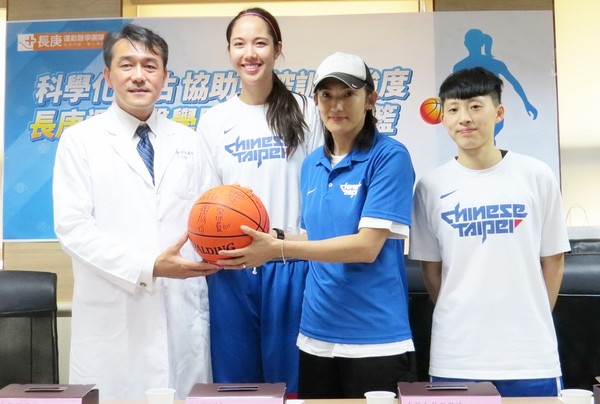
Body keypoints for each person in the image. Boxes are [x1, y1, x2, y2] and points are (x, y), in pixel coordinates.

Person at [218, 51, 417, 398]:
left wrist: (278, 249)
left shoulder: (389, 156)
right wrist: (271, 237)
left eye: (348, 94)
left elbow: (366, 247)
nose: (336, 106)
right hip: (316, 335)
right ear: (315, 101)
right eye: (327, 95)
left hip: (375, 338)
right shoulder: (312, 164)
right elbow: (318, 237)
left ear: (371, 99)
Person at [52, 23, 220, 400]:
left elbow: (209, 217)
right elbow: (73, 230)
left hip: (180, 312)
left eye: (150, 65)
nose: (139, 75)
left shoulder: (190, 142)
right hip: (113, 321)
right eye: (127, 65)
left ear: (165, 77)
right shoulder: (80, 141)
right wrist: (149, 266)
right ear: (107, 75)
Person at [408, 67, 570, 397]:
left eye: (475, 106)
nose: (464, 118)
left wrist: (533, 316)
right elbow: (431, 270)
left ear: (499, 113)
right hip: (456, 356)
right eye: (453, 109)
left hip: (531, 358)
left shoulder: (536, 175)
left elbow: (553, 261)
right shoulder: (429, 187)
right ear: (443, 119)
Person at [195, 7, 323, 395]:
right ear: (229, 52)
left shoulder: (306, 110)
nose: (249, 53)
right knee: (236, 387)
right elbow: (207, 200)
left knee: (292, 385)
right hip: (232, 268)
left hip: (290, 262)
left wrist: (295, 244)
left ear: (277, 49)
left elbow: (320, 192)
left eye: (260, 43)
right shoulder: (214, 120)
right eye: (239, 44)